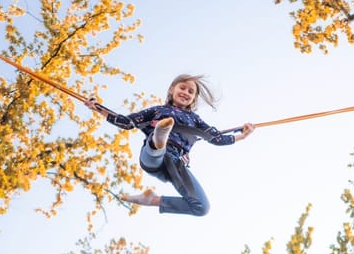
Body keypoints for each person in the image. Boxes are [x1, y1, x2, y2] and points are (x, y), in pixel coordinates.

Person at [85, 74, 255, 216]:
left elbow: (216, 138)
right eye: (182, 87)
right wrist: (98, 108)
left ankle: (151, 199)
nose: (186, 93)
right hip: (153, 158)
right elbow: (126, 122)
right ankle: (159, 139)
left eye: (191, 92)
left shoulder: (195, 120)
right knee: (157, 148)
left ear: (193, 99)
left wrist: (242, 135)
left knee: (202, 208)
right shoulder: (158, 110)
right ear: (171, 89)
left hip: (175, 164)